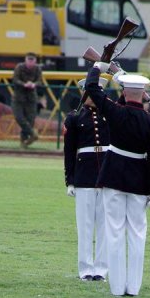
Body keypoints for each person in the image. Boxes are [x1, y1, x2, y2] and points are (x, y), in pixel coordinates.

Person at [85, 62, 150, 297]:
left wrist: (98, 67)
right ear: (143, 94)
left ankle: (117, 288)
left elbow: (92, 87)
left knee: (115, 232)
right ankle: (133, 287)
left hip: (114, 176)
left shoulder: (115, 111)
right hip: (139, 181)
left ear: (125, 92)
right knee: (138, 234)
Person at [64, 77, 109, 282]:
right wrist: (70, 180)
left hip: (106, 175)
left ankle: (101, 269)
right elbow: (69, 151)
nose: (94, 96)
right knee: (85, 225)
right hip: (84, 175)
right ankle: (85, 269)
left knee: (105, 226)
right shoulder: (74, 118)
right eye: (91, 92)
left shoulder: (110, 114)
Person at [12, 52, 42, 147]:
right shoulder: (19, 67)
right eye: (28, 60)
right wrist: (24, 84)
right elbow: (15, 79)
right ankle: (32, 133)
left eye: (32, 61)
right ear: (25, 60)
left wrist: (34, 84)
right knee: (19, 117)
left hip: (31, 97)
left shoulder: (37, 69)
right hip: (18, 97)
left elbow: (39, 81)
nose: (30, 63)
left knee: (30, 119)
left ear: (35, 61)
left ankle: (23, 142)